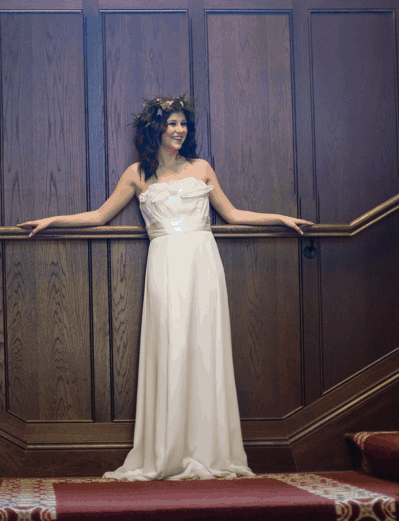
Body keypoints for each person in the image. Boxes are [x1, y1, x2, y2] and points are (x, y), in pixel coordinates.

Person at [18, 96, 311, 481]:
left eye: (183, 124)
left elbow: (234, 214)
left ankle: (210, 451)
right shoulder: (138, 173)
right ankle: (166, 450)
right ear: (155, 130)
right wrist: (54, 220)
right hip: (164, 263)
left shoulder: (202, 168)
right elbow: (100, 216)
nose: (178, 131)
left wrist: (279, 218)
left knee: (206, 349)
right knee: (170, 347)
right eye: (171, 124)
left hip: (203, 261)